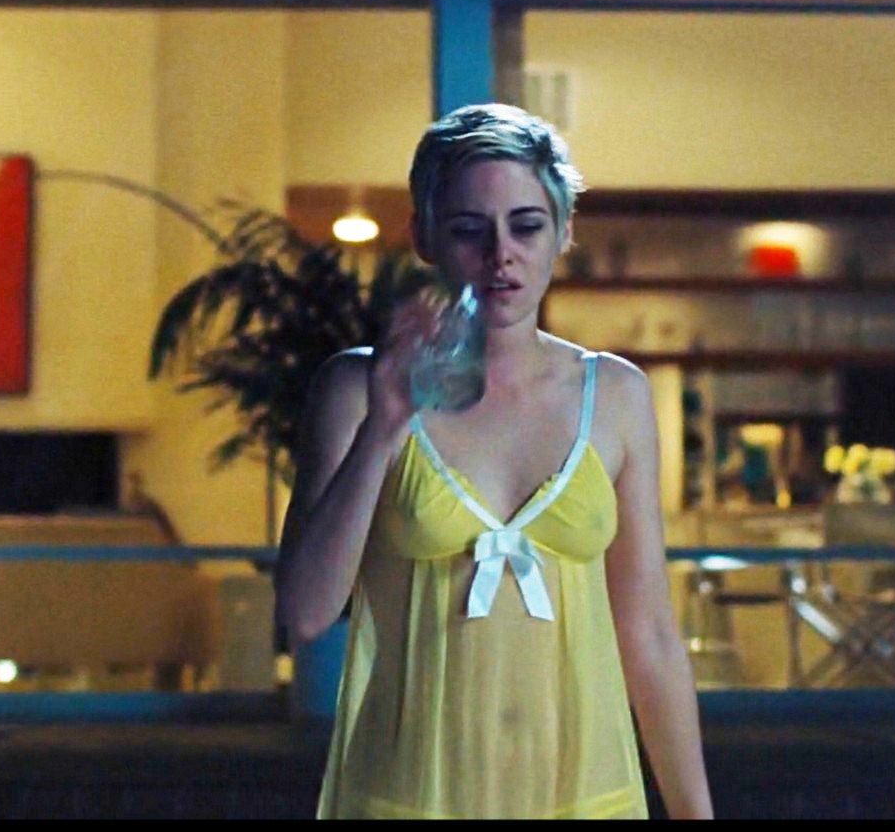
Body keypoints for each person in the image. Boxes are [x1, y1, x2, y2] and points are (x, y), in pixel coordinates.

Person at [275, 104, 714, 820]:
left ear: (563, 232)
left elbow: (652, 637)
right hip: (412, 799)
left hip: (585, 798)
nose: (500, 253)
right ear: (425, 237)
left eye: (527, 225)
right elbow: (304, 612)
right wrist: (384, 427)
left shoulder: (615, 395)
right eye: (469, 229)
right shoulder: (358, 388)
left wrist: (696, 813)